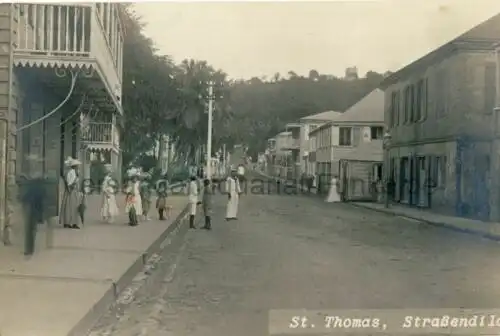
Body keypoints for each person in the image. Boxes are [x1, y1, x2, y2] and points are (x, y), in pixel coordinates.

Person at [60, 157, 82, 229]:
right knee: (71, 206)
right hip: (71, 191)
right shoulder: (71, 172)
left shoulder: (72, 172)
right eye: (77, 166)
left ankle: (70, 222)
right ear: (74, 166)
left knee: (70, 206)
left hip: (72, 190)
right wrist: (75, 181)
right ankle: (70, 222)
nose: (78, 167)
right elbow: (70, 183)